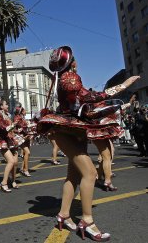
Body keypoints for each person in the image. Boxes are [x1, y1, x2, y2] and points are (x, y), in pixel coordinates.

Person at [37, 46, 139, 241]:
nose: (77, 62)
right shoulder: (70, 78)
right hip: (68, 130)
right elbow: (92, 97)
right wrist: (124, 85)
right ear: (72, 63)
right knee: (91, 174)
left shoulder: (62, 78)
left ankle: (64, 215)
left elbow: (83, 104)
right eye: (75, 59)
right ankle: (87, 221)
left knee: (73, 175)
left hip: (72, 130)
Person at [0, 98, 20, 192]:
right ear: (1, 106)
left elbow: (10, 128)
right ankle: (4, 183)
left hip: (10, 140)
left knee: (15, 163)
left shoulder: (8, 115)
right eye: (6, 104)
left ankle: (13, 181)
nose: (7, 106)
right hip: (2, 140)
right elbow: (3, 127)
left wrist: (16, 129)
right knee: (11, 161)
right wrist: (12, 125)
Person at [13, 106, 32, 177]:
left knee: (26, 154)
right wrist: (29, 125)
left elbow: (25, 126)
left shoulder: (23, 118)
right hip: (20, 137)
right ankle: (25, 170)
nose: (25, 111)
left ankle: (22, 168)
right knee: (27, 152)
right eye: (24, 110)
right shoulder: (17, 117)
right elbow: (16, 127)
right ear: (21, 111)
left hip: (26, 136)